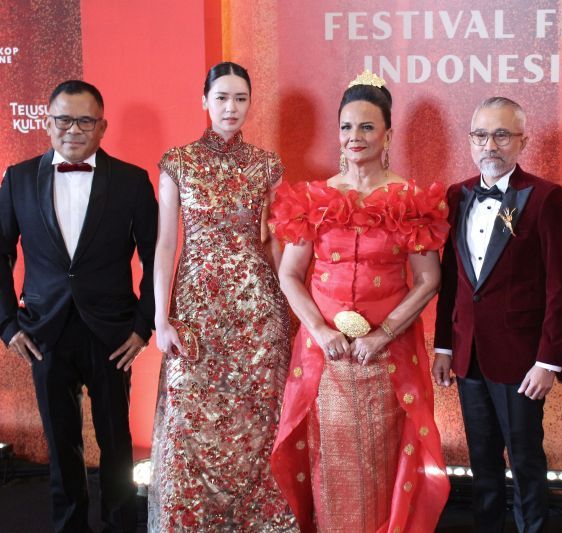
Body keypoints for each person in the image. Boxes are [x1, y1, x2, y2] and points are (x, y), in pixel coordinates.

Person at [269, 70, 450, 532]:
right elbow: (289, 274)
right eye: (347, 126)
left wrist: (383, 334)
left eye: (367, 127)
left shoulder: (410, 199)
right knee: (329, 465)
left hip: (387, 357)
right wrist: (321, 330)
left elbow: (428, 280)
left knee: (383, 464)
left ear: (387, 133)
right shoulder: (313, 198)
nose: (355, 136)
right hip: (325, 359)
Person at [0, 80, 157, 532]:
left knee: (116, 441)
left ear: (102, 127)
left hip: (112, 334)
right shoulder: (17, 179)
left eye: (85, 121)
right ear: (47, 123)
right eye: (64, 120)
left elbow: (156, 258)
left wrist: (143, 326)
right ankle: (69, 525)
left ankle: (120, 523)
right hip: (44, 331)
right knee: (61, 441)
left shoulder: (131, 181)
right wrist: (8, 325)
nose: (73, 130)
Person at [149, 62, 294, 531]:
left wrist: (294, 310)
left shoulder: (267, 165)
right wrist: (161, 318)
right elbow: (165, 245)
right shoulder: (177, 162)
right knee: (188, 423)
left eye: (241, 98)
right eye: (222, 97)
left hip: (258, 313)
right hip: (195, 311)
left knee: (259, 423)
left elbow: (276, 243)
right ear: (204, 100)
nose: (231, 108)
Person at [432, 96, 562, 532]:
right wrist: (444, 346)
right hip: (469, 354)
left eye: (501, 135)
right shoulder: (457, 195)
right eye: (481, 135)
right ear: (470, 140)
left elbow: (561, 287)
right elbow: (451, 279)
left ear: (522, 141)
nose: (490, 145)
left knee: (526, 459)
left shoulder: (546, 198)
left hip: (522, 359)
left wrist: (548, 361)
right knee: (481, 462)